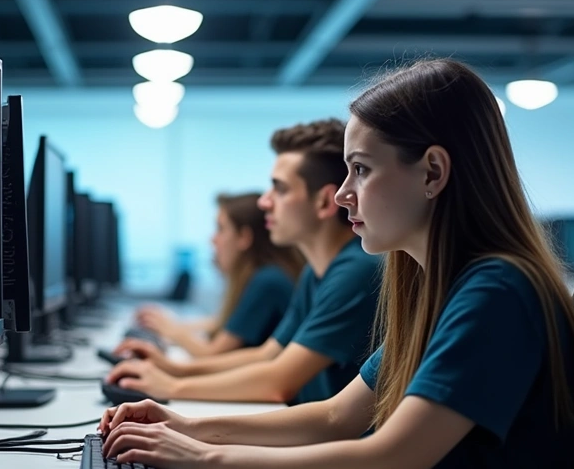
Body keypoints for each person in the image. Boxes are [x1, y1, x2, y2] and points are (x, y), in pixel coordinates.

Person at [97, 60, 574, 469]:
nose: (342, 194)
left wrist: (203, 461)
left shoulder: (497, 293)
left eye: (361, 169)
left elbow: (382, 468)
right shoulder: (439, 289)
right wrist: (185, 428)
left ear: (433, 172)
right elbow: (336, 416)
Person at [108, 119, 382, 405]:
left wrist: (172, 386)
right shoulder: (316, 273)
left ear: (324, 202)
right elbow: (267, 355)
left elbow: (278, 383)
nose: (265, 202)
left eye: (280, 189)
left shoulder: (355, 271)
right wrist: (174, 370)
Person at [135, 193, 305, 357]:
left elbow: (212, 353)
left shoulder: (267, 281)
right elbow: (222, 323)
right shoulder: (267, 275)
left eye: (220, 229)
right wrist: (176, 326)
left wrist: (171, 331)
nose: (212, 239)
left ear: (244, 237)